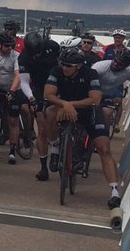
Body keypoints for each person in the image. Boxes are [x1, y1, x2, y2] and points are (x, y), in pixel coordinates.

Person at [43, 47, 122, 209]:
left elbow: (95, 99)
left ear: (78, 66)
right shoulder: (56, 71)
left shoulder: (90, 74)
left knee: (104, 149)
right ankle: (56, 145)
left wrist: (70, 104)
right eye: (63, 64)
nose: (65, 68)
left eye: (69, 65)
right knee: (49, 112)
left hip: (88, 110)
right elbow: (48, 94)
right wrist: (64, 104)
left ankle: (114, 191)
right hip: (62, 108)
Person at [18, 26, 62, 182]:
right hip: (38, 87)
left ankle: (56, 144)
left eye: (38, 52)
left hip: (58, 84)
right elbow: (23, 82)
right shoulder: (23, 57)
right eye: (33, 53)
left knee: (53, 118)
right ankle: (43, 167)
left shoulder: (52, 47)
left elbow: (64, 66)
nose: (36, 55)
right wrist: (31, 99)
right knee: (42, 127)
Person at [0, 29, 24, 164]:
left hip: (13, 88)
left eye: (11, 46)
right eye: (7, 46)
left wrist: (12, 91)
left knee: (13, 121)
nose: (10, 48)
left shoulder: (16, 56)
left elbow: (17, 75)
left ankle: (12, 150)